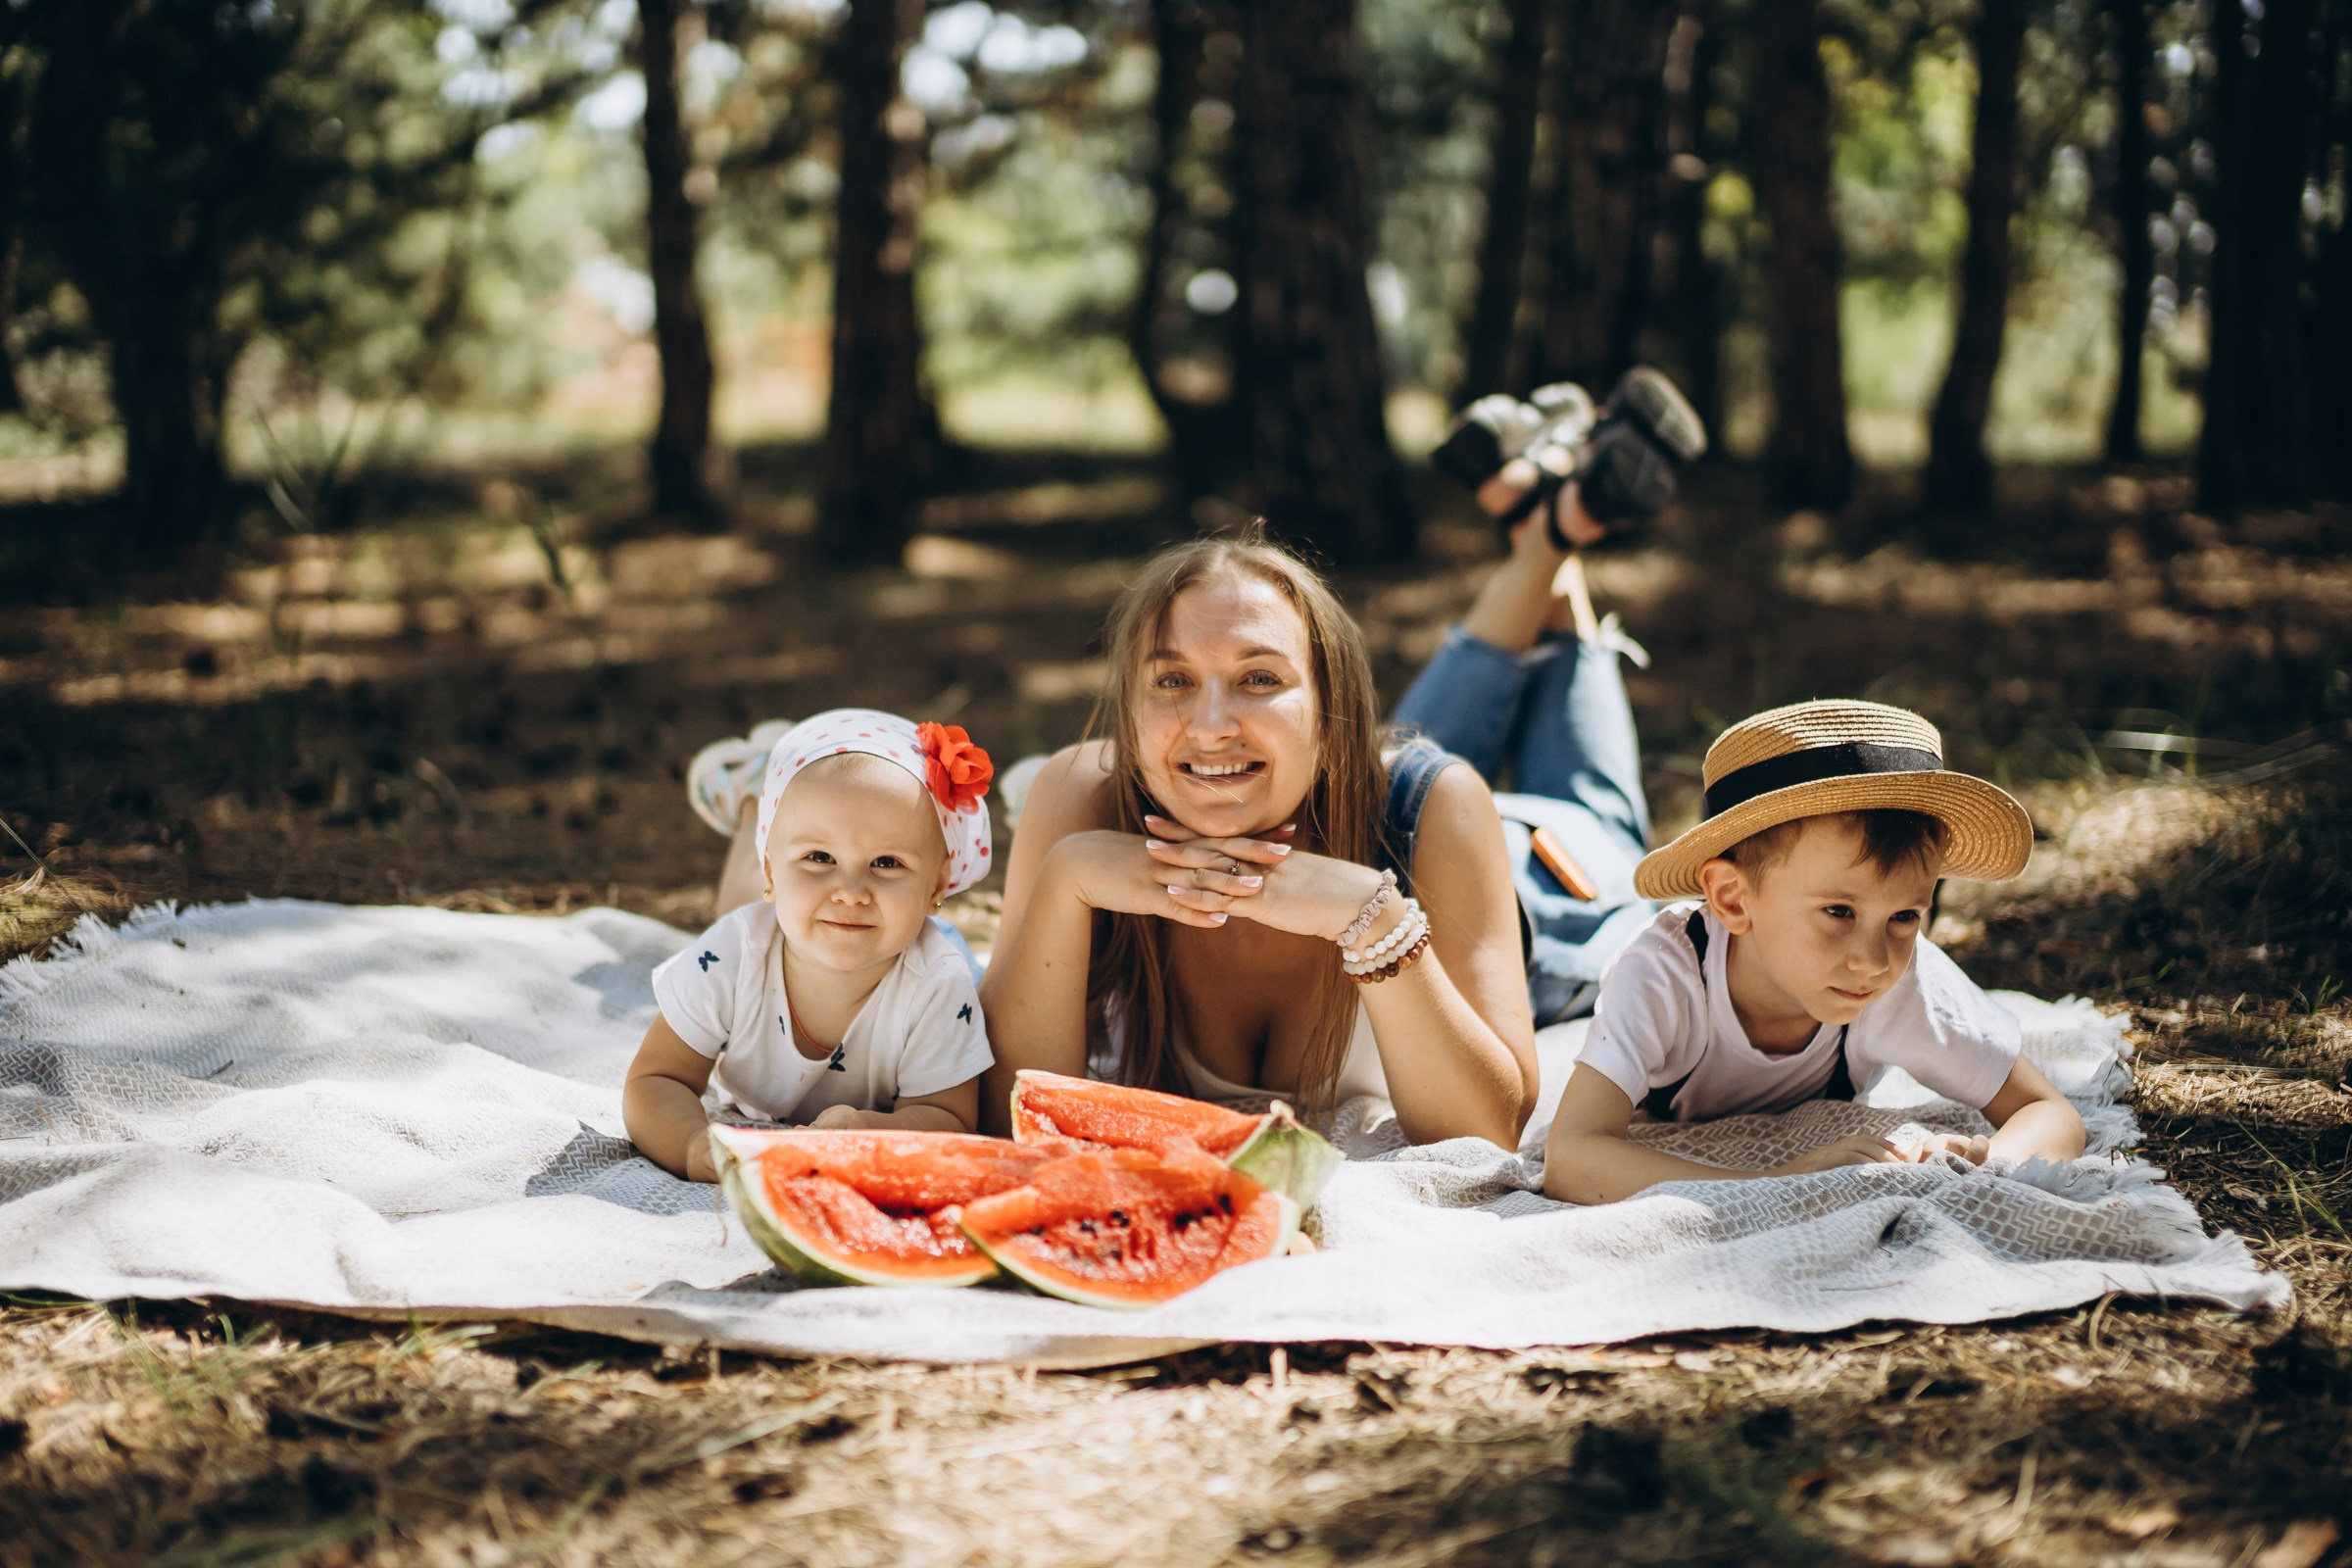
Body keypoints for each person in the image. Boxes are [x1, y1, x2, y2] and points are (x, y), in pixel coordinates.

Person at [980, 464, 1663, 1149]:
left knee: (1582, 794)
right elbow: (1007, 1113)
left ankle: (1555, 549)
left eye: (1259, 677)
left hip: (1550, 880)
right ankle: (1547, 531)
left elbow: (1487, 1128)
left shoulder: (1437, 805)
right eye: (1173, 679)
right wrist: (1065, 879)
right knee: (1403, 760)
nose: (1210, 722)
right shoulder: (1081, 798)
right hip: (1345, 788)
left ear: (1329, 713)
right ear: (1129, 710)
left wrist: (1371, 921)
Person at [1542, 699, 2087, 1204]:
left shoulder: (1903, 981)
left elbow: (2049, 1112)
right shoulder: (1662, 974)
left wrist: (1984, 1165)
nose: (1873, 961)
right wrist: (1775, 1184)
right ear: (1733, 898)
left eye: (1904, 916)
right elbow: (1572, 1157)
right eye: (1838, 912)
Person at [623, 709, 998, 1183]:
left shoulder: (938, 986)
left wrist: (870, 1129)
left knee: (783, 908)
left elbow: (949, 1120)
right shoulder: (734, 954)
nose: (850, 890)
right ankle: (752, 798)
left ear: (937, 885)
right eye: (819, 856)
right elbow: (656, 1079)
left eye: (886, 862)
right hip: (763, 918)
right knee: (738, 910)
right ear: (773, 869)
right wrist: (693, 1145)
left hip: (913, 947)